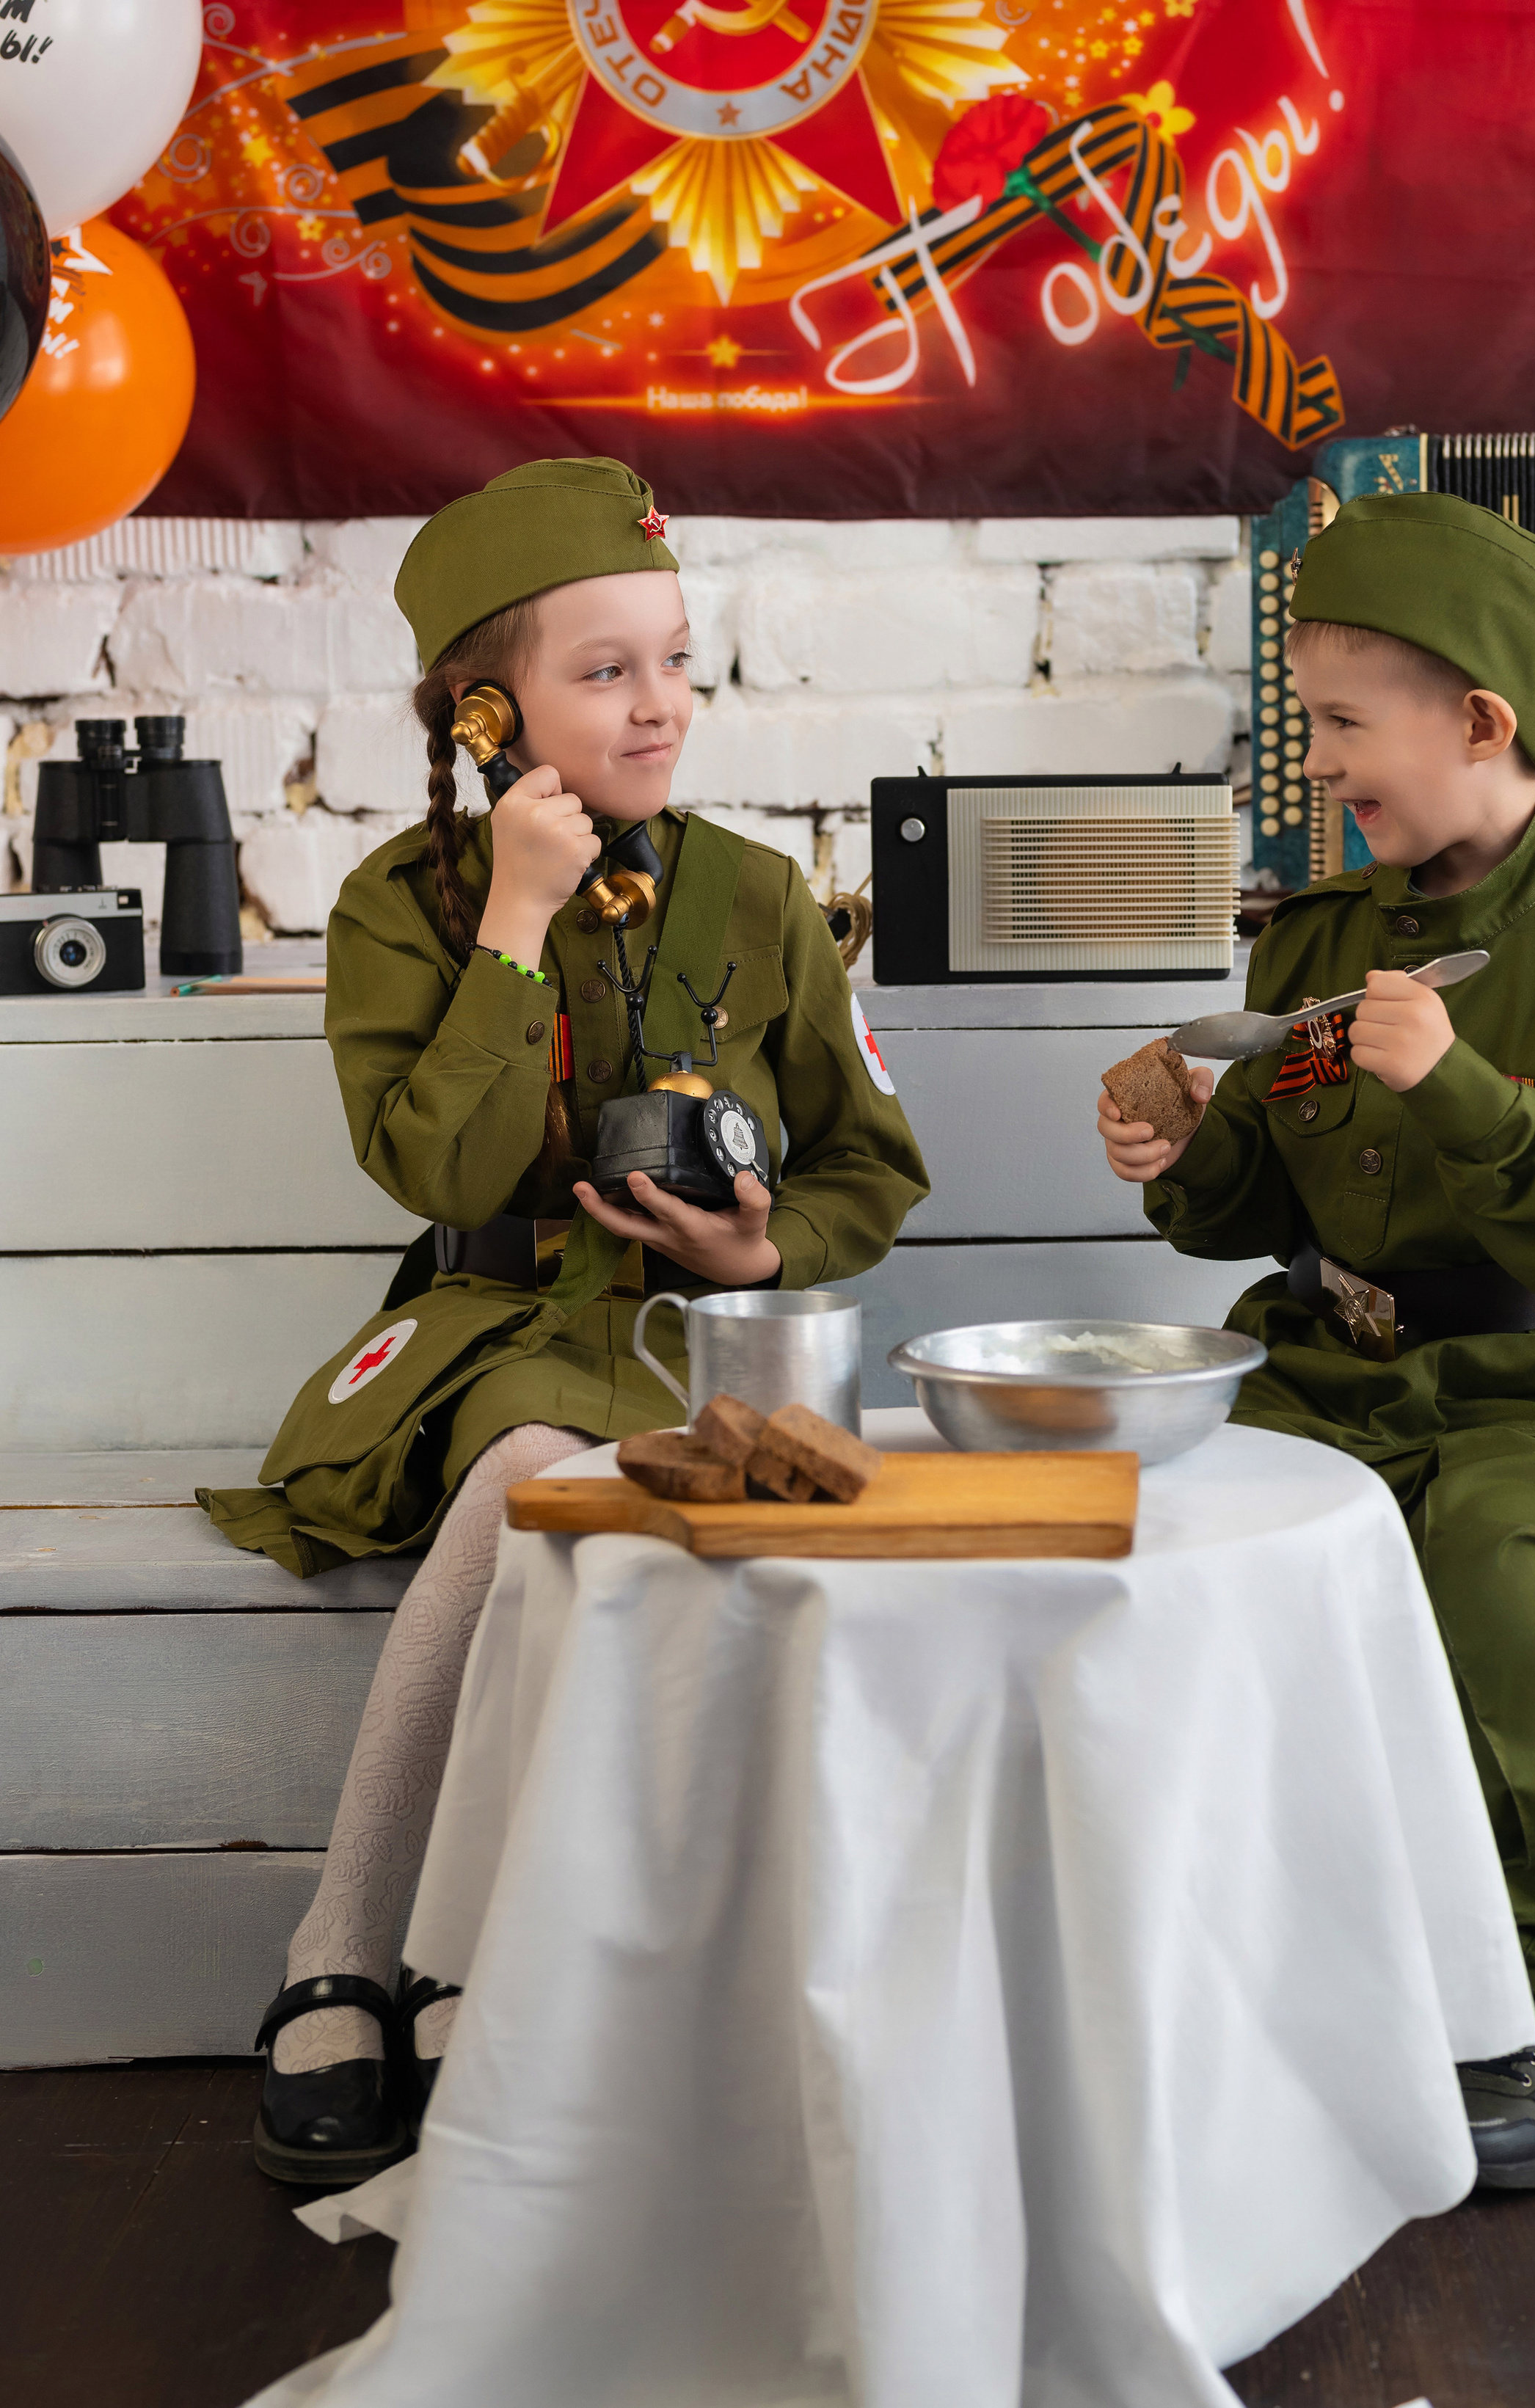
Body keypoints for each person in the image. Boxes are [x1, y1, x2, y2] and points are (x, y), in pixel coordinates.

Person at [200, 456, 930, 2186]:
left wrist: (761, 1256)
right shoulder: (406, 905)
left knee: (634, 1490)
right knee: (537, 1455)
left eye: (676, 658)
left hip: (713, 1351)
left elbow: (869, 1170)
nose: (660, 703)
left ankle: (468, 1950)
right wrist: (516, 919)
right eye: (605, 671)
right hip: (504, 1332)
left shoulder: (758, 899)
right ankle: (353, 1939)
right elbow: (424, 1161)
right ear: (481, 709)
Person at [1096, 491, 1535, 2191]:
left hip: (1529, 1392)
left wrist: (1453, 1084)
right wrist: (1181, 1153)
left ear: (1479, 725)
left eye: (1344, 727)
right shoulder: (1309, 951)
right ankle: (1214, 1983)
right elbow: (1246, 1205)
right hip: (1312, 1368)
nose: (1322, 766)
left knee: (1488, 1595)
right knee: (1163, 1565)